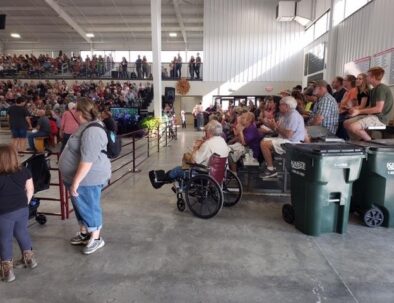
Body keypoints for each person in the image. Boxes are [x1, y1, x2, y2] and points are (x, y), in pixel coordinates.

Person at [59, 98, 111, 255]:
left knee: (89, 206)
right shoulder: (85, 126)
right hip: (79, 178)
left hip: (88, 179)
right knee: (81, 206)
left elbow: (87, 160)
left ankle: (96, 238)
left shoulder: (93, 130)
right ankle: (84, 233)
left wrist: (76, 181)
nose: (73, 112)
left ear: (80, 112)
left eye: (75, 109)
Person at [149, 120, 230, 188]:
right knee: (180, 168)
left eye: (205, 131)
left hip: (205, 174)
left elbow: (194, 160)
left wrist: (196, 147)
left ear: (209, 132)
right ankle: (161, 180)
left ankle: (160, 180)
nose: (205, 133)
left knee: (178, 170)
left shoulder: (208, 144)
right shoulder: (222, 141)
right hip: (219, 173)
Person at [0, 144, 37, 283]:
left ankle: (7, 271)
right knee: (22, 232)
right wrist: (24, 204)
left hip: (3, 213)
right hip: (22, 209)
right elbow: (30, 189)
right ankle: (30, 259)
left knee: (4, 239)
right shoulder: (24, 171)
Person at [260, 96, 306, 179]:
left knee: (264, 144)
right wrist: (272, 126)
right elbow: (279, 131)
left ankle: (271, 169)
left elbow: (288, 135)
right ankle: (269, 163)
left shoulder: (293, 115)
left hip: (292, 143)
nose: (279, 106)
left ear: (287, 106)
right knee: (263, 139)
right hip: (285, 139)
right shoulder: (286, 115)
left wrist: (276, 127)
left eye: (281, 104)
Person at [344, 66, 393, 141]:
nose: (366, 78)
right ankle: (359, 142)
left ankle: (371, 144)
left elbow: (378, 109)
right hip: (373, 116)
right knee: (346, 123)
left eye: (367, 76)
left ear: (373, 77)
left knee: (353, 127)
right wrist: (355, 111)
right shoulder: (373, 90)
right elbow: (370, 107)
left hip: (380, 119)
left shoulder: (381, 88)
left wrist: (359, 111)